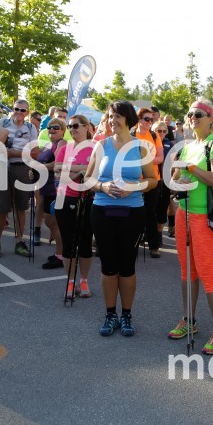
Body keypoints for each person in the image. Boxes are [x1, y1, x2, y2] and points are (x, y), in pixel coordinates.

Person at [85, 101, 156, 336]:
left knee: (126, 265)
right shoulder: (101, 145)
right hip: (102, 211)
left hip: (133, 212)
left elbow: (153, 181)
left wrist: (135, 186)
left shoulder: (142, 147)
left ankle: (126, 315)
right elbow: (88, 179)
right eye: (109, 117)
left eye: (116, 117)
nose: (112, 121)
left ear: (128, 119)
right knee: (108, 266)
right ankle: (110, 314)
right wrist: (103, 186)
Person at [167, 99, 213, 355]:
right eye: (191, 113)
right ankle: (189, 320)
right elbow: (175, 180)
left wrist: (191, 168)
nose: (193, 117)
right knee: (186, 272)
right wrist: (178, 176)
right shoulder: (189, 145)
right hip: (184, 213)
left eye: (199, 114)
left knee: (206, 273)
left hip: (205, 217)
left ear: (210, 118)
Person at [54, 114, 96, 297]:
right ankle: (70, 282)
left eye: (76, 126)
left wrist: (70, 170)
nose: (72, 129)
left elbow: (95, 173)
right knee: (68, 243)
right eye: (70, 126)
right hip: (65, 198)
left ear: (86, 127)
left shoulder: (95, 148)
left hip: (88, 198)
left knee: (85, 242)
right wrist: (80, 169)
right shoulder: (65, 148)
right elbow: (57, 172)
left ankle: (84, 281)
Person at [0, 99, 39, 257]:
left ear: (27, 113)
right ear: (12, 109)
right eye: (17, 109)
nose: (19, 112)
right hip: (2, 167)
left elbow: (35, 153)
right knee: (2, 208)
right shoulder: (2, 122)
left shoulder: (31, 127)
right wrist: (17, 152)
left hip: (22, 168)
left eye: (23, 110)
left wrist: (14, 153)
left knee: (21, 207)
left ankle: (20, 241)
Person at [35, 117, 66, 269]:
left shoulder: (61, 143)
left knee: (54, 224)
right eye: (49, 127)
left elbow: (57, 164)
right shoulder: (50, 144)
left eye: (55, 127)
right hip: (46, 187)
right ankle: (60, 253)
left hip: (56, 188)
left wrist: (40, 167)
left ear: (62, 130)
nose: (52, 130)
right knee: (50, 222)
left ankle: (61, 256)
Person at [134, 107, 164, 258]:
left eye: (151, 120)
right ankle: (133, 243)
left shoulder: (154, 135)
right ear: (139, 119)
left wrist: (145, 160)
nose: (149, 122)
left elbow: (160, 158)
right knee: (135, 213)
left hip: (153, 180)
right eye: (146, 119)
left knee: (151, 213)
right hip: (134, 180)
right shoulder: (132, 135)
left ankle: (154, 246)